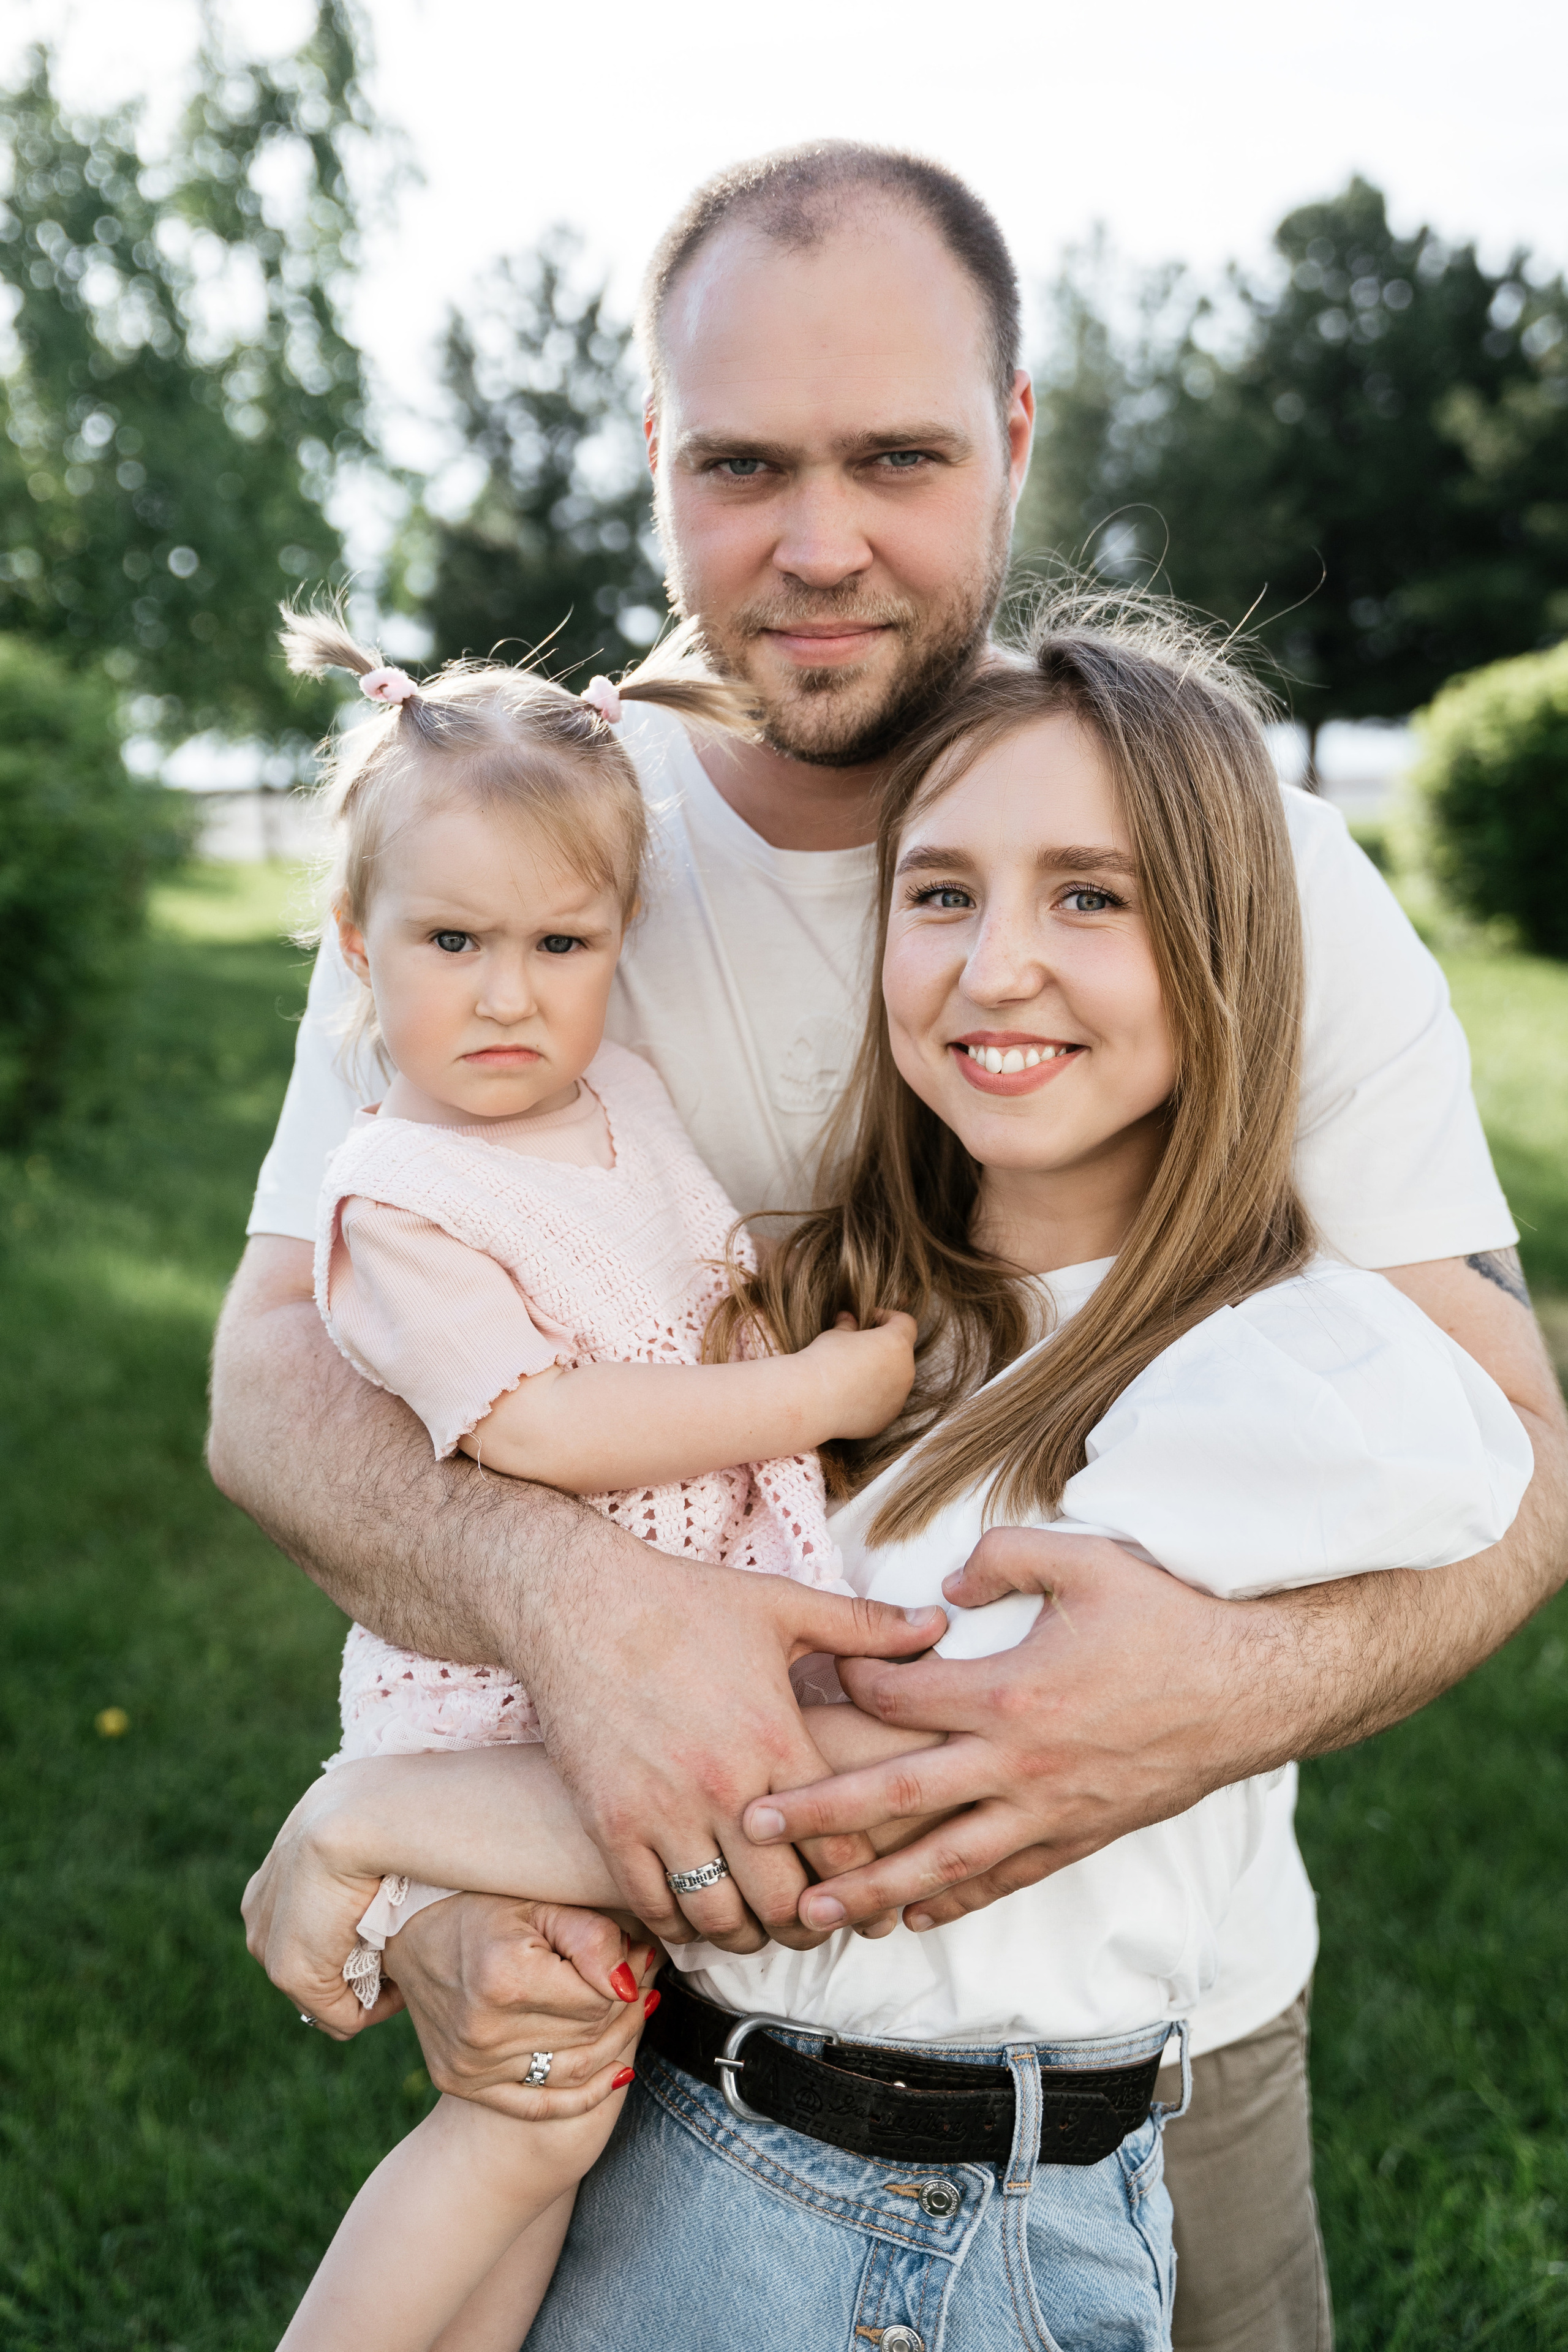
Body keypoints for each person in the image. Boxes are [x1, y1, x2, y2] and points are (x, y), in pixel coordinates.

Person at [216, 142, 1568, 2352]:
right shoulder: (522, 854)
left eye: (900, 459)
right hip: (672, 2016)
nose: (820, 541)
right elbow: (280, 1375)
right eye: (742, 463)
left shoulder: (1243, 858)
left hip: (1166, 2042)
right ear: (655, 453)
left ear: (1015, 440)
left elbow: (1508, 1440)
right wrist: (565, 1638)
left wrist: (1184, 1705)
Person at [267, 607, 924, 2351]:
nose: (506, 992)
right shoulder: (401, 1195)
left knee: (557, 2121)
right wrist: (823, 1383)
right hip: (491, 1718)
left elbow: (672, 1281)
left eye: (561, 942)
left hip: (620, 1677)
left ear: (617, 944)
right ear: (356, 945)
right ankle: (355, 1832)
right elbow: (541, 1424)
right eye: (452, 940)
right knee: (515, 2122)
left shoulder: (615, 1090)